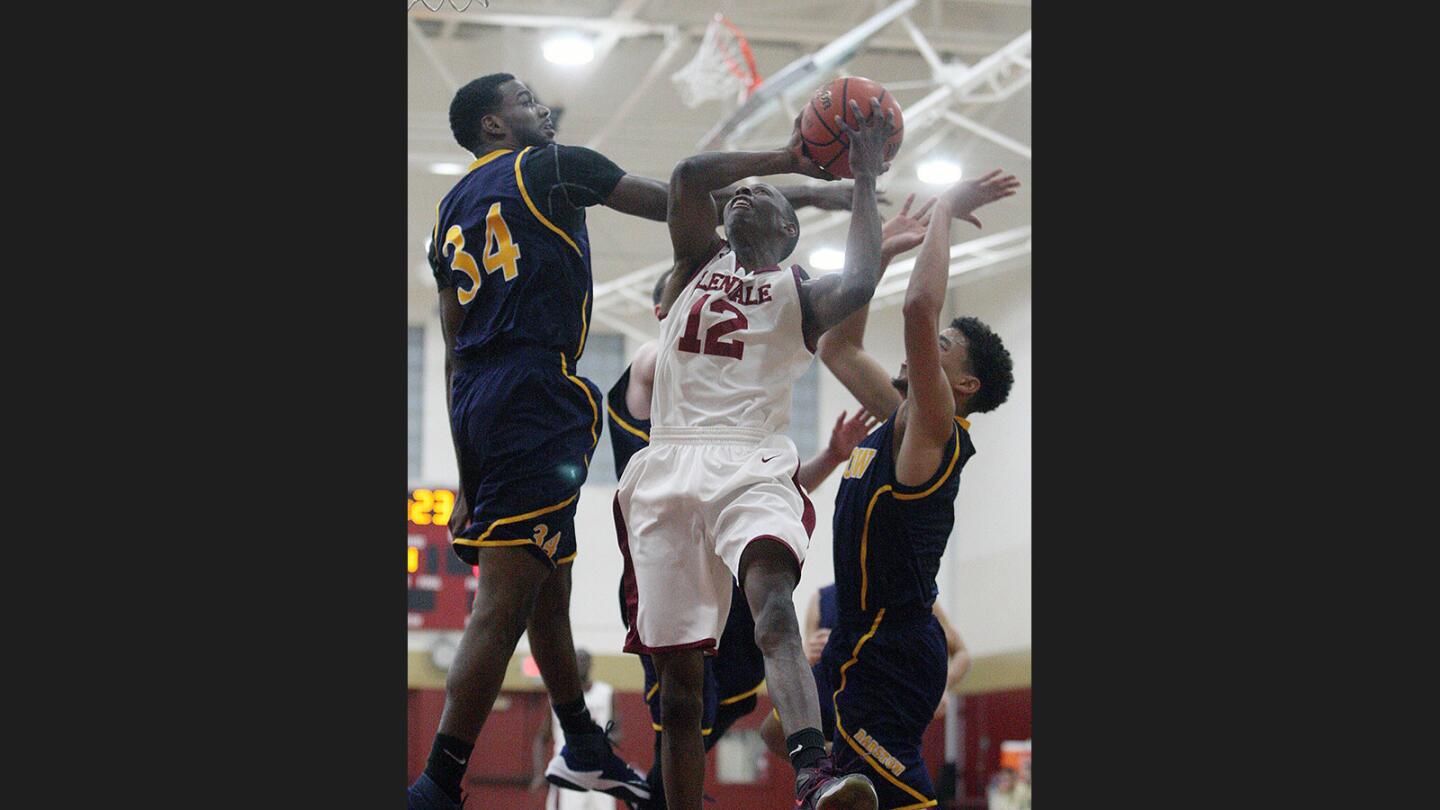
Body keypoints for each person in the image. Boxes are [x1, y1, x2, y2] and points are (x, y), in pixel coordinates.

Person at [409, 71, 868, 810]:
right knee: (505, 601)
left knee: (546, 584)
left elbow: (454, 342)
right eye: (525, 101)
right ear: (493, 125)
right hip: (539, 396)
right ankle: (438, 783)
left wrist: (468, 469)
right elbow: (680, 200)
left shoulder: (448, 214)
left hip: (480, 400)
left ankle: (584, 744)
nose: (542, 110)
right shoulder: (555, 166)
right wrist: (808, 186)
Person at [614, 98, 900, 810]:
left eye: (760, 198)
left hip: (752, 461)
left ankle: (813, 774)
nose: (742, 196)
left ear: (788, 230)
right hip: (670, 464)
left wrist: (862, 184)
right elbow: (687, 175)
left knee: (773, 607)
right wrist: (786, 161)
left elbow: (863, 281)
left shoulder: (802, 292)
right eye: (736, 194)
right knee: (680, 694)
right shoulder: (692, 262)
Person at [785, 170, 1018, 810]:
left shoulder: (934, 430)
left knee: (884, 799)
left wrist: (943, 210)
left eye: (942, 348)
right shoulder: (896, 417)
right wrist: (880, 255)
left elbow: (920, 308)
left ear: (963, 385)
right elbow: (838, 345)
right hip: (858, 640)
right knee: (832, 792)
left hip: (893, 647)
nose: (925, 344)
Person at [605, 278, 878, 808]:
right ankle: (662, 794)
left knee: (731, 693)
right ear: (669, 305)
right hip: (667, 550)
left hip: (725, 554)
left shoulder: (727, 405)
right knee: (683, 706)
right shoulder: (653, 362)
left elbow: (749, 494)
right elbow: (666, 353)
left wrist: (827, 456)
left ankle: (792, 775)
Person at [762, 583, 971, 758]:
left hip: (884, 710)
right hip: (834, 704)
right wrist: (806, 656)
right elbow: (807, 660)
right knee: (774, 733)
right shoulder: (821, 599)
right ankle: (829, 765)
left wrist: (941, 687)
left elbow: (962, 654)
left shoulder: (913, 591)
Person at [531, 650, 623, 810]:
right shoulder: (557, 695)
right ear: (571, 664)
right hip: (569, 771)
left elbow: (618, 733)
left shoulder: (607, 693)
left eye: (585, 660)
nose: (581, 664)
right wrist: (539, 773)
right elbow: (541, 738)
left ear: (591, 664)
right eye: (577, 660)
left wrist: (600, 740)